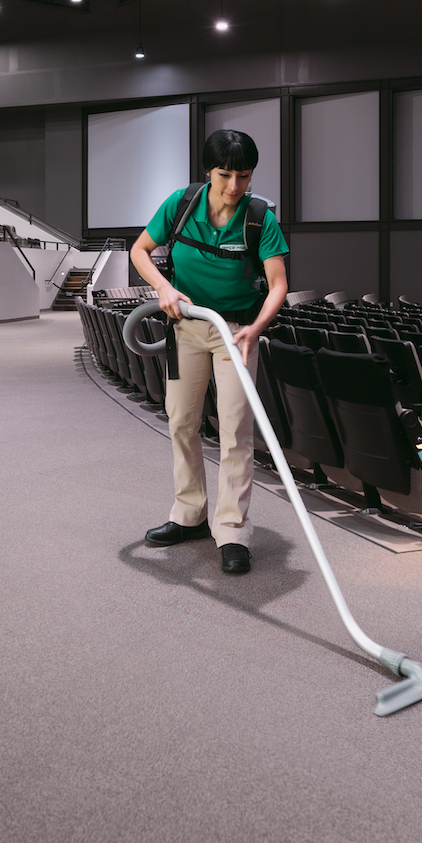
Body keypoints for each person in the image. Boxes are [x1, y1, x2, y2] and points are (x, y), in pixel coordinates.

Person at [128, 130, 289, 574]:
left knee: (235, 428)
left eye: (244, 176)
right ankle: (190, 514)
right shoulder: (181, 205)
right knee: (181, 421)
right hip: (186, 327)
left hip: (235, 332)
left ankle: (233, 530)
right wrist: (162, 287)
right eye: (225, 175)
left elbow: (278, 284)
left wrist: (257, 327)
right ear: (208, 171)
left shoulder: (258, 218)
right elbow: (140, 250)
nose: (234, 186)